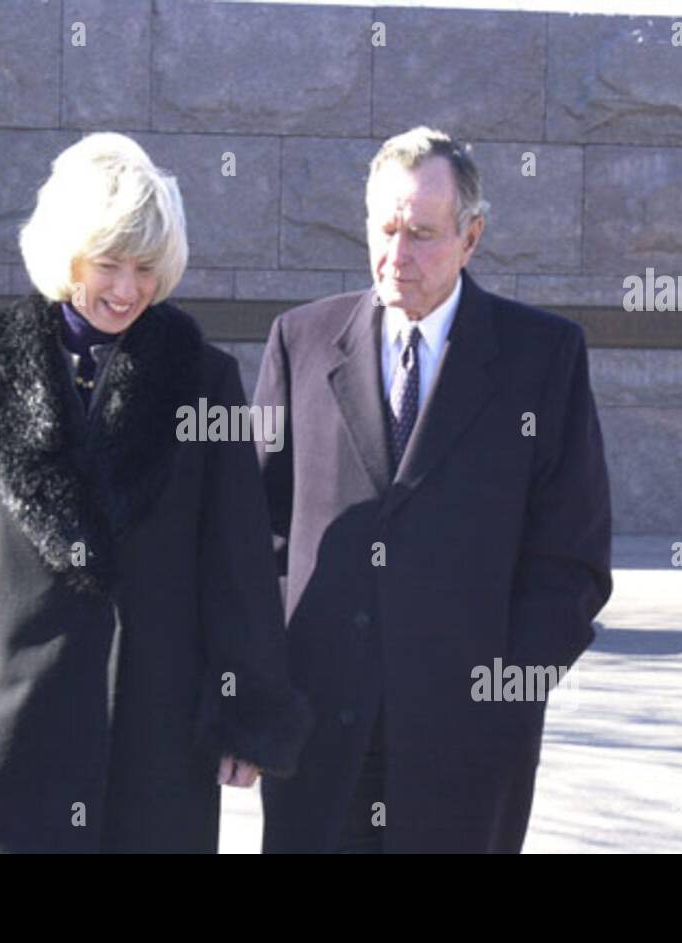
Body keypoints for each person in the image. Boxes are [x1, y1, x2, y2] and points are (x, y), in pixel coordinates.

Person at [0, 133, 310, 853]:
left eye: (147, 268)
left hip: (152, 735)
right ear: (67, 254)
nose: (128, 289)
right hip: (2, 725)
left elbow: (236, 562)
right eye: (110, 263)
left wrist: (247, 703)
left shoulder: (204, 380)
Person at [253, 126, 612, 853]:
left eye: (422, 234)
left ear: (471, 237)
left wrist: (506, 698)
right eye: (385, 229)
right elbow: (260, 540)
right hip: (316, 741)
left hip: (466, 752)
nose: (397, 255)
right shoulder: (300, 341)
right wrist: (258, 693)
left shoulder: (543, 358)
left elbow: (572, 560)